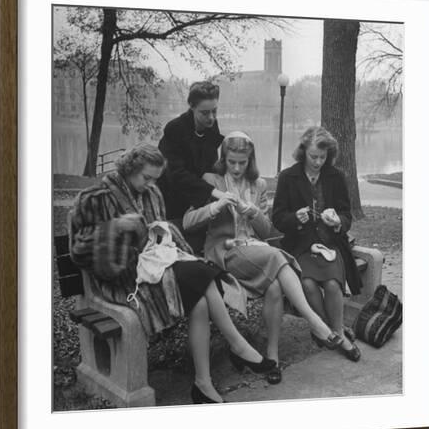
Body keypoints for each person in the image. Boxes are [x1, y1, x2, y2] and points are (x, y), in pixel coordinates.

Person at [69, 143, 275, 405]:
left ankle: (203, 383)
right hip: (123, 279)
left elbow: (160, 231)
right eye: (146, 177)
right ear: (130, 169)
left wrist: (162, 236)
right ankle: (237, 344)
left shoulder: (152, 193)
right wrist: (116, 227)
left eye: (155, 178)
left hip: (156, 266)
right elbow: (79, 250)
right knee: (202, 273)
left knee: (200, 299)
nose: (150, 184)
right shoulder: (95, 198)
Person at [182, 132, 343, 384]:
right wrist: (215, 206)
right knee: (275, 256)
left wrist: (254, 212)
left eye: (242, 162)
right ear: (223, 159)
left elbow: (267, 230)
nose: (236, 168)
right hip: (224, 252)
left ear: (250, 160)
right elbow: (187, 222)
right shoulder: (211, 181)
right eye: (231, 161)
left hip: (254, 253)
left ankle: (272, 357)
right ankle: (315, 321)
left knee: (276, 287)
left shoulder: (258, 186)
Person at [271, 126, 362, 362]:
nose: (318, 162)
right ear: (303, 152)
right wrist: (294, 218)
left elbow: (346, 215)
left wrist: (337, 221)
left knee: (332, 285)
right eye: (313, 156)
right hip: (300, 245)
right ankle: (331, 332)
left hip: (330, 244)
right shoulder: (288, 177)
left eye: (322, 157)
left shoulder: (336, 176)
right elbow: (278, 218)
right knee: (309, 285)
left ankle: (337, 333)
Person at [157, 81, 237, 224]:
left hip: (199, 200)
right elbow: (175, 173)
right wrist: (212, 191)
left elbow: (210, 164)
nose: (211, 117)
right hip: (172, 199)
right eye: (205, 113)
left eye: (214, 111)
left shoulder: (211, 126)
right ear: (192, 107)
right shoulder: (175, 129)